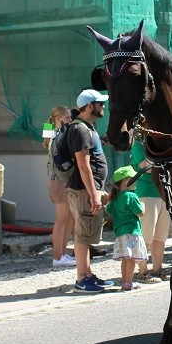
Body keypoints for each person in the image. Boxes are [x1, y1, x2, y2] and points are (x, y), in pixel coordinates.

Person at [67, 89, 114, 292]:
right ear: (88, 106)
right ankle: (81, 278)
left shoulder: (88, 128)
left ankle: (88, 275)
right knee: (82, 234)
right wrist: (94, 194)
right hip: (83, 190)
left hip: (89, 189)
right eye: (99, 103)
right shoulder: (80, 130)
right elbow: (83, 165)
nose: (103, 107)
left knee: (86, 235)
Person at [106, 165, 148, 291]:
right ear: (125, 181)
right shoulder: (131, 196)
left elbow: (108, 209)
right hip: (132, 231)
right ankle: (129, 283)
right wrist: (143, 205)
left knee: (125, 259)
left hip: (120, 233)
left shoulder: (115, 197)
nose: (136, 180)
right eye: (133, 178)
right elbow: (140, 212)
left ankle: (125, 282)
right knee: (131, 260)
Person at [131, 141, 168, 282]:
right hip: (146, 193)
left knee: (160, 236)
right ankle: (143, 272)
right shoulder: (138, 145)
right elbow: (147, 167)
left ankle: (158, 269)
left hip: (163, 193)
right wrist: (167, 164)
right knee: (146, 236)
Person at [45, 105, 76, 268]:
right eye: (67, 118)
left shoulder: (56, 133)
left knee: (69, 218)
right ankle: (57, 256)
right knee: (61, 220)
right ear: (58, 119)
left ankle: (62, 253)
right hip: (58, 180)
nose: (70, 121)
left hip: (63, 179)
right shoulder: (57, 134)